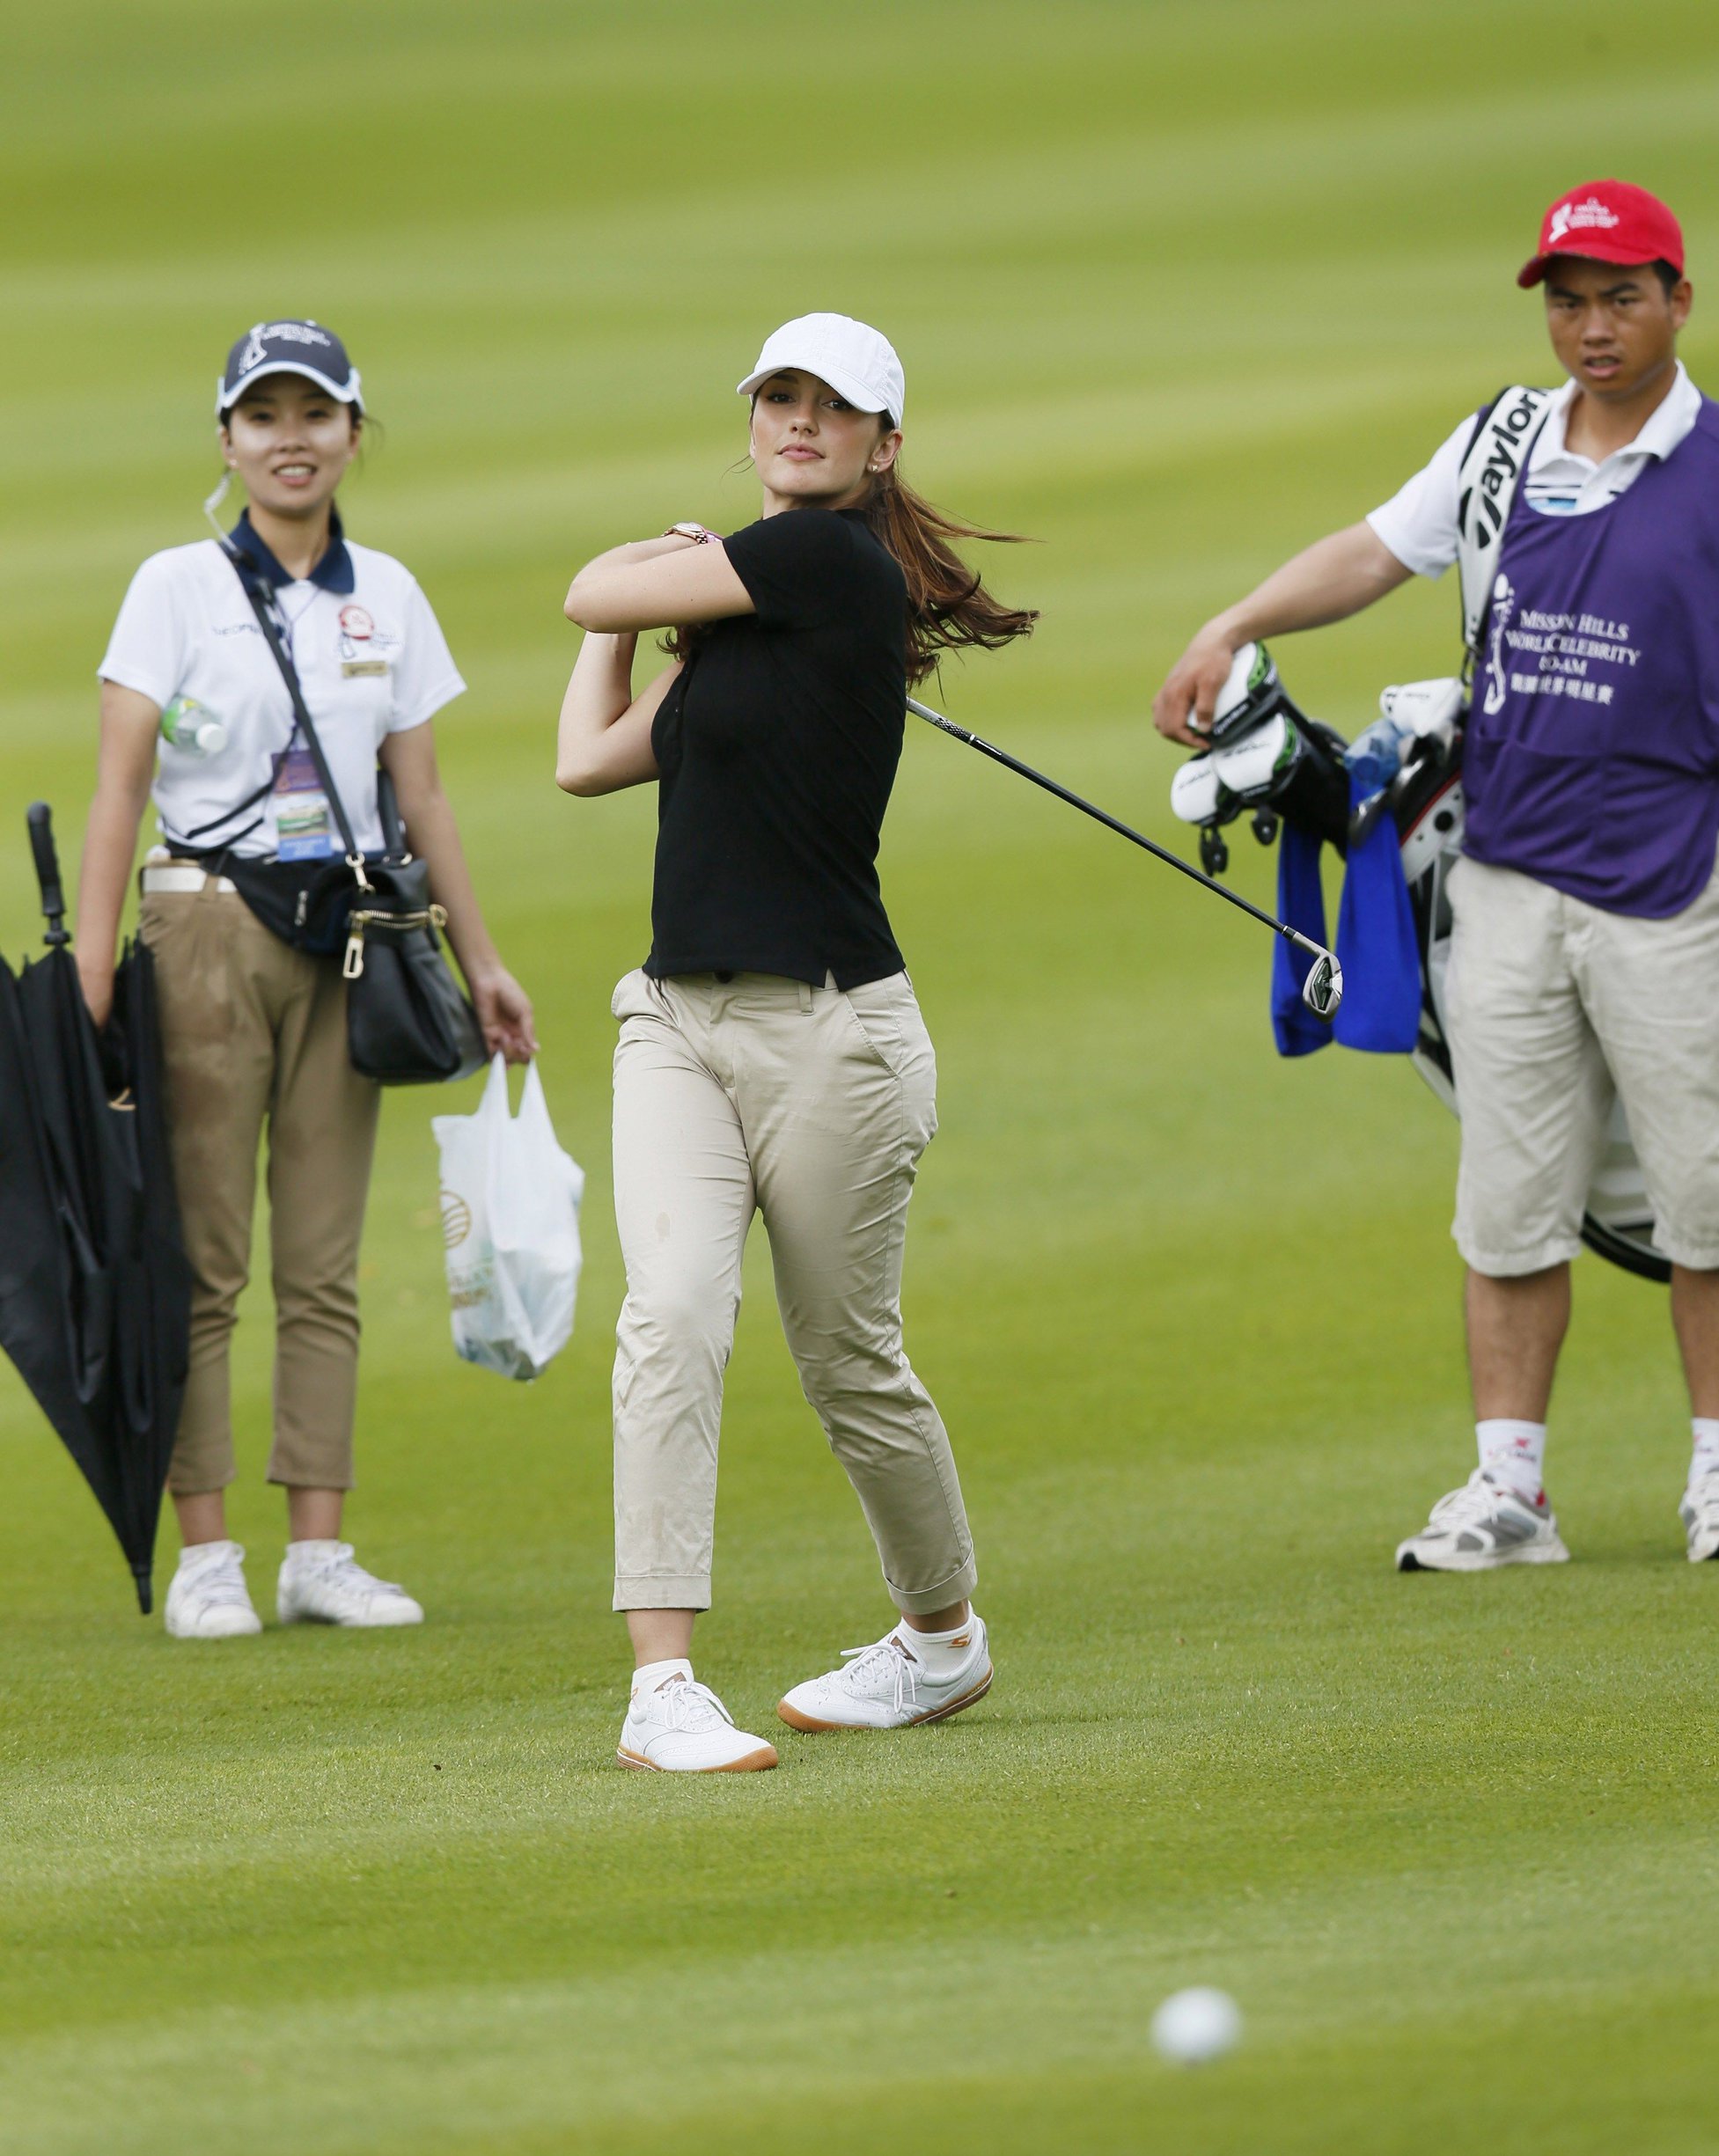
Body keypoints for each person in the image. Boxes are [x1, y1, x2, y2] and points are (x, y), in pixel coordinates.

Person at [1153, 180, 1719, 1574]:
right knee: (1507, 1195)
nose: (1589, 327)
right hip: (1509, 879)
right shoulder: (1501, 443)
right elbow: (1371, 552)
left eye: (1619, 297)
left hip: (1674, 881)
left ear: (1677, 301)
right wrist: (1231, 622)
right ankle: (1506, 1488)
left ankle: (1715, 1473)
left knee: (1707, 1199)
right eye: (1566, 300)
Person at [557, 313, 1036, 1770]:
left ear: (883, 445)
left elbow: (582, 584)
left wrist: (640, 582)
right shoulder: (752, 609)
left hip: (835, 1036)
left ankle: (941, 1640)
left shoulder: (828, 561)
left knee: (848, 1362)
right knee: (672, 1316)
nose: (800, 421)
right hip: (677, 1026)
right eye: (779, 397)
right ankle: (661, 1687)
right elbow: (587, 759)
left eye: (835, 407)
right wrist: (661, 614)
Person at [79, 319, 535, 1639]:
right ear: (226, 440)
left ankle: (317, 1547)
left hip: (352, 938)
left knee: (324, 1260)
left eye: (315, 415)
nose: (291, 439)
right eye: (263, 416)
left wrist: (483, 956)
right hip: (203, 928)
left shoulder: (383, 590)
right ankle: (209, 1546)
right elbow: (119, 785)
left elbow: (424, 791)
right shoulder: (172, 584)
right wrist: (100, 964)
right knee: (206, 1255)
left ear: (351, 433)